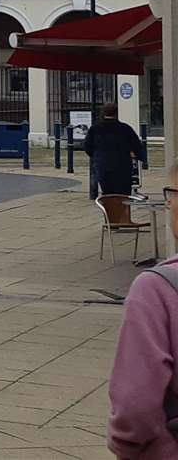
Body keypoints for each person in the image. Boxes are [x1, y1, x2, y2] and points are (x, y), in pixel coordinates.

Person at [108, 185, 178, 457]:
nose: (168, 205)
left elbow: (134, 405)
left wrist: (129, 448)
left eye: (171, 195)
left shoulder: (157, 288)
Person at [86, 103, 149, 200]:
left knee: (108, 193)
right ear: (116, 113)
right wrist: (141, 158)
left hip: (103, 165)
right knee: (123, 195)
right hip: (122, 166)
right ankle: (122, 213)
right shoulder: (125, 128)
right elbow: (136, 145)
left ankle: (110, 213)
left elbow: (88, 147)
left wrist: (97, 156)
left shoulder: (95, 129)